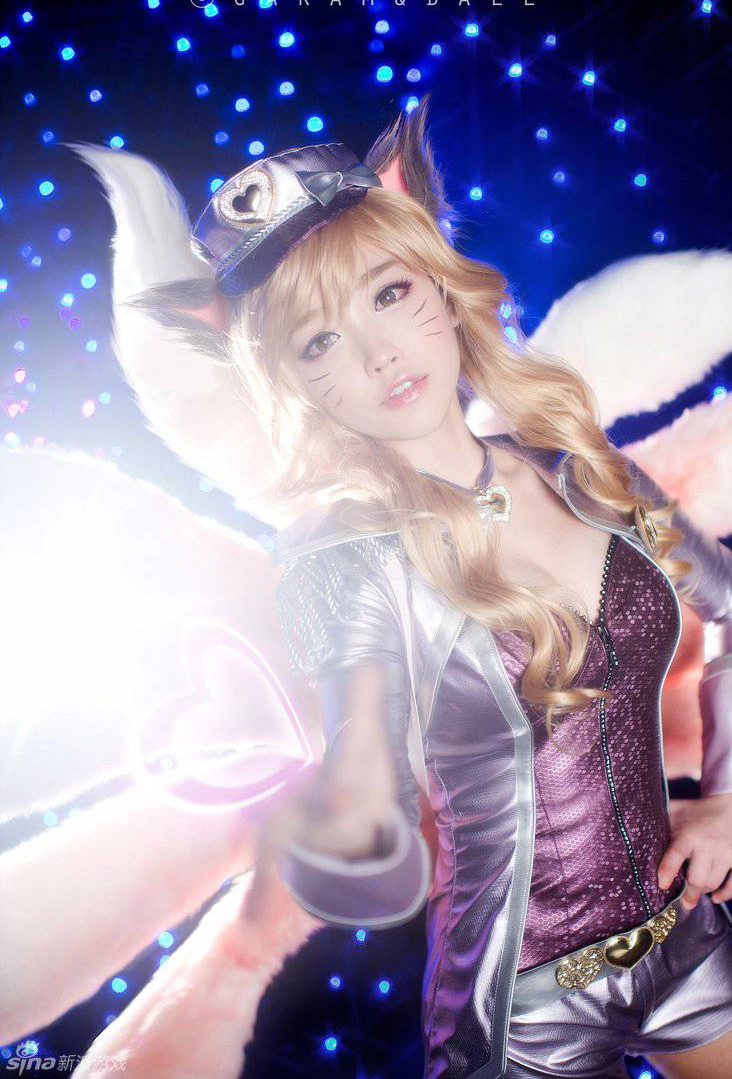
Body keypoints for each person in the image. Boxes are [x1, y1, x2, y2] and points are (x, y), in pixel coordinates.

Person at [129, 94, 732, 1078]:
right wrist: (351, 821)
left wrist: (725, 795)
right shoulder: (347, 557)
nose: (377, 354)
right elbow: (363, 767)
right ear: (291, 384)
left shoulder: (580, 468)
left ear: (442, 289)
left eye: (388, 292)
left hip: (689, 938)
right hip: (522, 1014)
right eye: (318, 342)